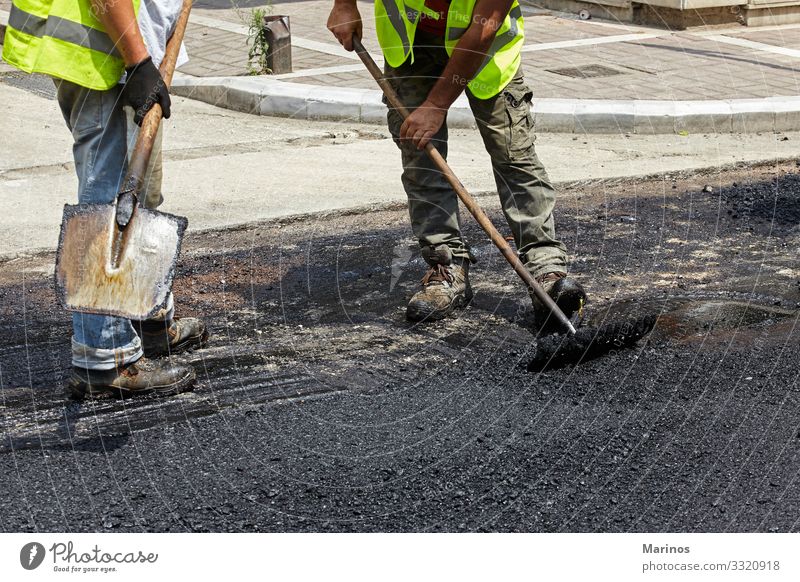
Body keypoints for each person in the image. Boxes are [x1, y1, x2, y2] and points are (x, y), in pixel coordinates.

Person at [327, 0, 587, 322]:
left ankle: (546, 272)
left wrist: (436, 104)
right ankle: (445, 265)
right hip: (411, 46)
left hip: (485, 48)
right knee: (422, 157)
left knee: (513, 156)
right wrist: (344, 5)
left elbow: (484, 25)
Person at [2, 0, 208, 397]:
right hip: (107, 56)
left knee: (141, 191)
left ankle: (150, 316)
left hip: (128, 49)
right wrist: (136, 63)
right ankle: (104, 353)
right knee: (109, 199)